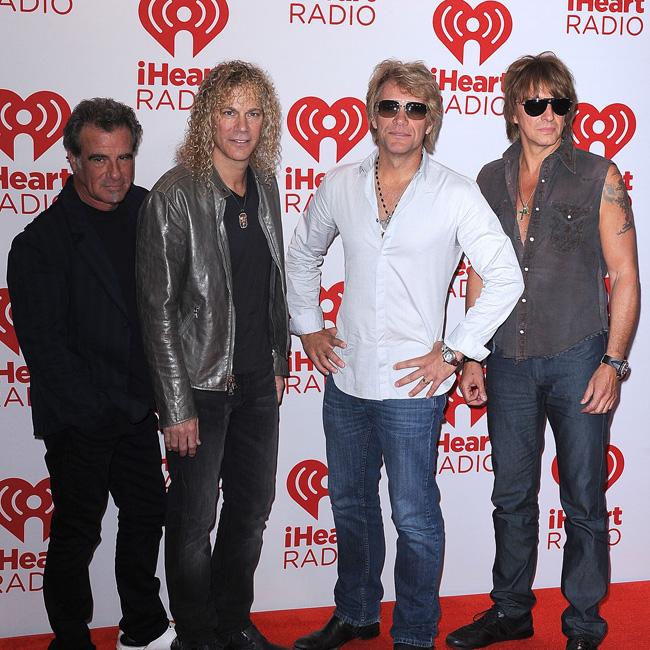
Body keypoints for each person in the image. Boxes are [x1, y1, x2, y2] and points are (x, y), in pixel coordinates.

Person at [286, 59, 524, 650]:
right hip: (347, 378)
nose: (401, 118)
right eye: (390, 106)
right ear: (373, 115)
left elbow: (505, 276)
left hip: (415, 390)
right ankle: (356, 613)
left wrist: (457, 351)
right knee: (350, 506)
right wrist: (308, 327)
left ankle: (414, 634)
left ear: (430, 122)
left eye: (414, 109)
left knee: (414, 519)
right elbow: (302, 253)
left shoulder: (455, 192)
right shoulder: (341, 184)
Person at [445, 53, 640, 650]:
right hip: (506, 359)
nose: (549, 114)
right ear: (513, 110)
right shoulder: (487, 179)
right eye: (535, 103)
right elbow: (480, 272)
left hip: (578, 355)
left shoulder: (599, 174)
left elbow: (625, 276)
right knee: (511, 496)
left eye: (559, 103)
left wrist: (613, 363)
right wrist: (473, 355)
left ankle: (583, 622)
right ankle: (511, 611)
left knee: (583, 497)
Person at [7, 99, 174, 650]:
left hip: (137, 407)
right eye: (101, 159)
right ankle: (71, 637)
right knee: (78, 531)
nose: (116, 173)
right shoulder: (39, 243)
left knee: (147, 514)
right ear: (73, 159)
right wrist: (98, 410)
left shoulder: (150, 209)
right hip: (80, 417)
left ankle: (143, 627)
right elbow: (45, 348)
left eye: (125, 157)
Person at [136, 60, 290, 650]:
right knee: (193, 520)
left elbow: (272, 286)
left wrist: (277, 360)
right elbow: (157, 309)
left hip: (256, 384)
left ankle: (233, 622)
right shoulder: (175, 194)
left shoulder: (266, 186)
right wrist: (175, 405)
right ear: (207, 118)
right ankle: (196, 636)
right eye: (229, 112)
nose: (242, 126)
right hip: (199, 386)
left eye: (253, 113)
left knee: (251, 511)